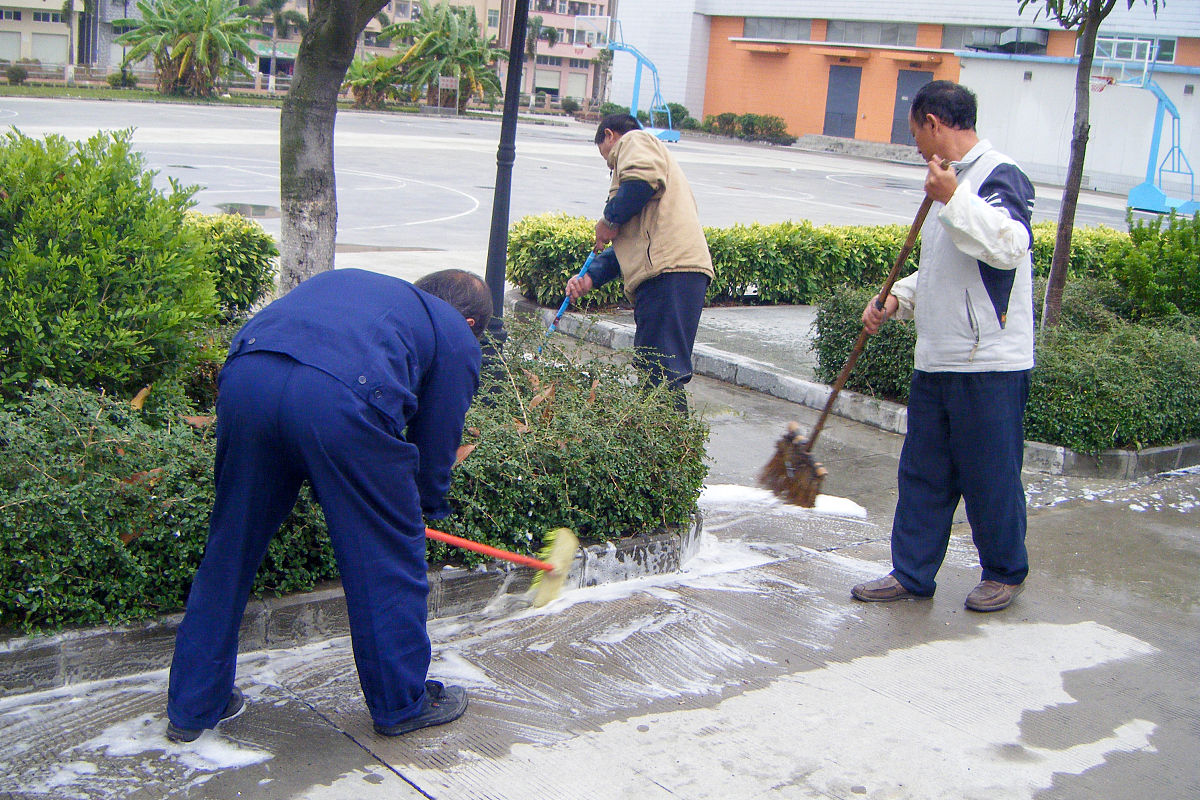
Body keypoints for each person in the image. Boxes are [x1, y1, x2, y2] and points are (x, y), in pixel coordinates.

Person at [166, 267, 492, 742]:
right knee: (386, 560)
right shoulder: (453, 332)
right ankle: (401, 704)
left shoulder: (368, 290)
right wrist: (420, 508)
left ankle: (193, 705)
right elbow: (438, 436)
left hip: (247, 378)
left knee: (230, 546)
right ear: (469, 323)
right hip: (340, 399)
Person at [850, 81, 1035, 613]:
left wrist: (953, 198)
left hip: (989, 363)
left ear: (934, 122)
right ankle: (911, 572)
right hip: (938, 358)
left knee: (990, 474)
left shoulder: (998, 174)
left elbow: (1009, 245)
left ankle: (1004, 570)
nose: (916, 148)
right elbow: (943, 271)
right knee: (923, 474)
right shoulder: (946, 184)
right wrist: (897, 299)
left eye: (915, 134)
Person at [565, 113, 714, 411]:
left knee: (659, 373)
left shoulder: (635, 140)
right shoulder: (652, 181)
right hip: (670, 273)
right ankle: (668, 447)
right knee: (656, 368)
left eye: (606, 158)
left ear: (609, 135)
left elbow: (638, 183)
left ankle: (670, 450)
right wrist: (591, 277)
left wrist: (609, 219)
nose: (610, 165)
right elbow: (635, 243)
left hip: (669, 272)